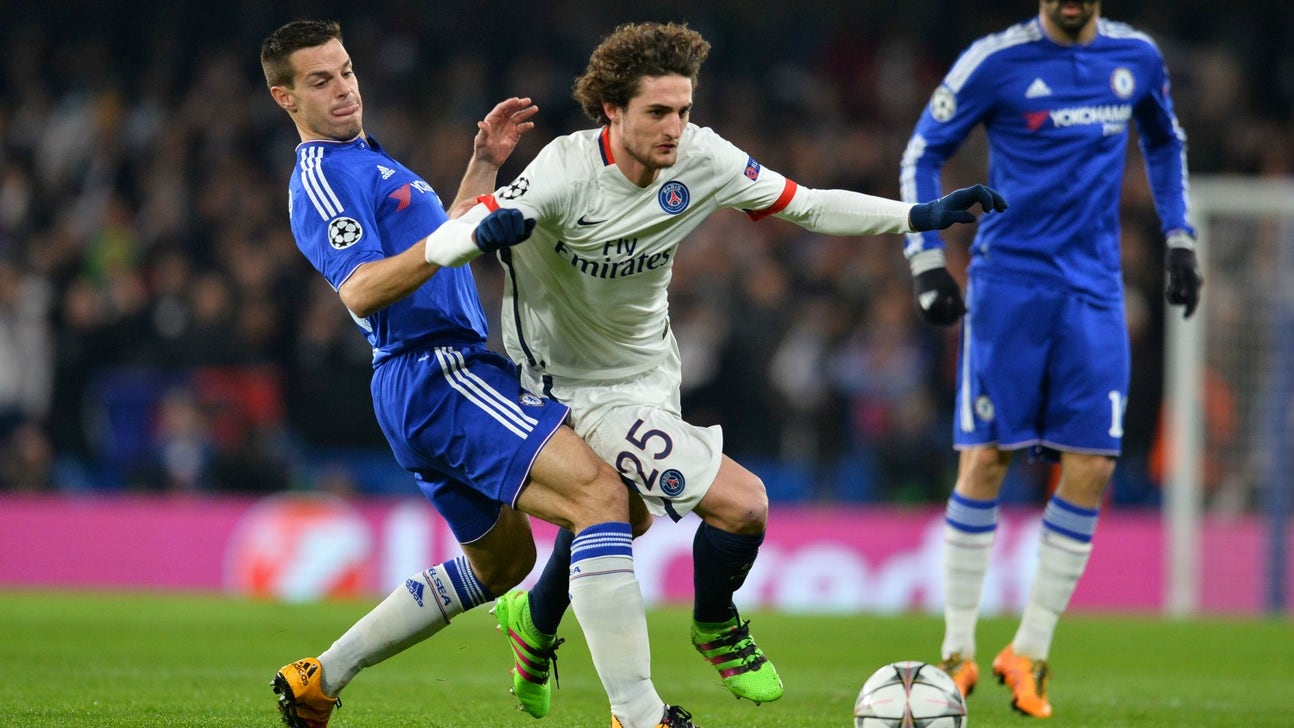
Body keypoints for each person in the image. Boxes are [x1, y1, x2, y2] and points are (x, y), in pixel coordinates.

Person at [420, 20, 1006, 720]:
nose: (675, 128)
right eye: (658, 112)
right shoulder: (562, 172)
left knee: (620, 518)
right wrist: (481, 232)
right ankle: (716, 624)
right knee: (743, 505)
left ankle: (533, 625)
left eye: (684, 110)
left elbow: (810, 206)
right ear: (612, 109)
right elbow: (446, 238)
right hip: (573, 390)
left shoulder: (702, 158)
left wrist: (920, 215)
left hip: (650, 373)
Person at [259, 19, 700, 728]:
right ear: (286, 98)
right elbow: (361, 288)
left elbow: (448, 235)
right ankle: (638, 714)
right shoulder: (321, 176)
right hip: (439, 369)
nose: (343, 88)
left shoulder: (368, 159)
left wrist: (483, 167)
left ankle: (319, 680)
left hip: (428, 383)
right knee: (603, 495)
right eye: (320, 80)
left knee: (503, 564)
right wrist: (443, 243)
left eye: (345, 70)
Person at [898, 0, 1203, 718]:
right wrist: (925, 260)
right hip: (1008, 287)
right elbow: (922, 150)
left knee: (1093, 463)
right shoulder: (994, 61)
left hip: (1094, 289)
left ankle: (1029, 651)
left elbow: (1165, 142)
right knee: (986, 460)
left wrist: (1180, 235)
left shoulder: (1137, 59)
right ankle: (957, 650)